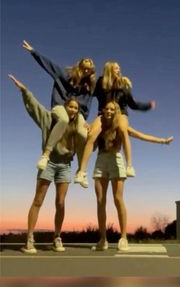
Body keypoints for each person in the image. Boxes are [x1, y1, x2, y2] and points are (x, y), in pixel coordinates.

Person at [8, 74, 81, 254]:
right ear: (64, 108)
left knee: (61, 202)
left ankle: (57, 237)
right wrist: (24, 90)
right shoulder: (49, 119)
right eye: (70, 107)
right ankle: (30, 238)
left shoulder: (77, 126)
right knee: (38, 200)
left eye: (76, 108)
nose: (73, 110)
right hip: (48, 163)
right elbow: (35, 106)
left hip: (65, 165)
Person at [90, 101, 173, 252]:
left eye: (112, 109)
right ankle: (103, 239)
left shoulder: (121, 126)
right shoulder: (99, 125)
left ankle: (123, 238)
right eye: (107, 108)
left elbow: (141, 136)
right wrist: (88, 132)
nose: (109, 111)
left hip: (116, 160)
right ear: (103, 110)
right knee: (100, 201)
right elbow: (93, 146)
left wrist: (162, 141)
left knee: (117, 199)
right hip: (101, 161)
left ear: (117, 112)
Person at [21, 40, 96, 187]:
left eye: (89, 68)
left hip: (76, 113)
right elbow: (48, 65)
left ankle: (81, 172)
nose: (86, 69)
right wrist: (33, 52)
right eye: (85, 65)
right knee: (63, 118)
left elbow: (87, 105)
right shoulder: (65, 74)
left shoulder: (88, 88)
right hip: (59, 107)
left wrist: (84, 120)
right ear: (79, 65)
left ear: (90, 72)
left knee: (83, 133)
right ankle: (46, 155)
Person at [76, 61, 156, 185]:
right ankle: (82, 172)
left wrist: (146, 106)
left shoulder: (123, 84)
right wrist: (84, 117)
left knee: (123, 129)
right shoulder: (101, 82)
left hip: (121, 113)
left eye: (119, 68)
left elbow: (132, 104)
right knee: (91, 135)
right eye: (116, 69)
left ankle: (129, 166)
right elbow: (89, 97)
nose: (119, 70)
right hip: (104, 112)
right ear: (109, 70)